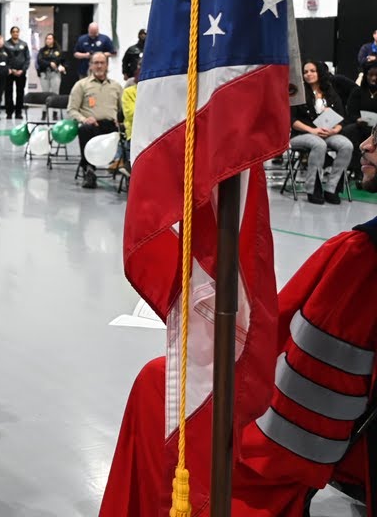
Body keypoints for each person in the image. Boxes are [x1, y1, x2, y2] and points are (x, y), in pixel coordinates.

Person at [99, 141, 377, 516]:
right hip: (351, 436)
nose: (365, 144)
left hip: (283, 449)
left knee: (157, 383)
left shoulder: (362, 258)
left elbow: (312, 389)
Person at [291, 60, 352, 205]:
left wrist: (334, 130)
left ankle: (332, 187)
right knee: (319, 144)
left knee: (346, 145)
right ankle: (313, 188)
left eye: (312, 71)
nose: (308, 74)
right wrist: (312, 130)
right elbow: (291, 120)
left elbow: (341, 118)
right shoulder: (297, 92)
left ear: (320, 72)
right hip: (302, 134)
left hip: (327, 133)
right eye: (305, 72)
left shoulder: (330, 92)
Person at [67, 52, 122, 189]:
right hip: (92, 125)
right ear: (90, 66)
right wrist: (84, 119)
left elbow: (123, 110)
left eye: (102, 63)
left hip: (111, 126)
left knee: (127, 131)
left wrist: (120, 121)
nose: (99, 66)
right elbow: (72, 110)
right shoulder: (81, 85)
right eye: (96, 63)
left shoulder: (116, 86)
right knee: (85, 129)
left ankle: (126, 169)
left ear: (107, 65)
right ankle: (89, 171)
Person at [343, 61, 377, 175]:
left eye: (376, 75)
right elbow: (350, 112)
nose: (373, 78)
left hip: (375, 129)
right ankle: (357, 169)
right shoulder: (357, 91)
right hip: (359, 124)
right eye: (370, 75)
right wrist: (358, 119)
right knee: (351, 131)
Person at [3, 25, 30, 119]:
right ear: (11, 33)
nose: (15, 33)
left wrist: (22, 70)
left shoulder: (24, 44)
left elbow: (27, 58)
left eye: (17, 32)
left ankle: (19, 112)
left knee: (20, 92)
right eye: (13, 32)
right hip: (10, 72)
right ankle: (9, 112)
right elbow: (4, 58)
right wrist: (10, 69)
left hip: (21, 72)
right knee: (8, 92)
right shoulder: (5, 44)